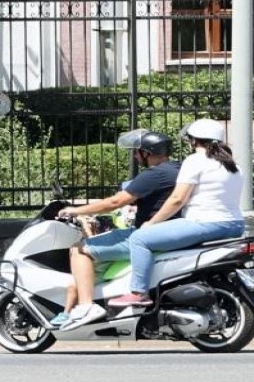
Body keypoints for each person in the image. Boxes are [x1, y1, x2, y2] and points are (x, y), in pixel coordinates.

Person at [109, 118, 246, 309]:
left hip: (204, 223)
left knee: (139, 238)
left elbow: (177, 199)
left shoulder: (195, 161)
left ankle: (138, 293)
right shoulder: (233, 166)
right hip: (235, 225)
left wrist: (152, 223)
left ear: (193, 140)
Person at [53, 129, 180, 330]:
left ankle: (86, 306)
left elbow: (116, 201)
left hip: (145, 234)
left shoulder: (154, 174)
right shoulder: (177, 169)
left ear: (147, 153)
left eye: (137, 153)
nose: (136, 157)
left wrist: (76, 211)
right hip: (172, 233)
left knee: (79, 249)